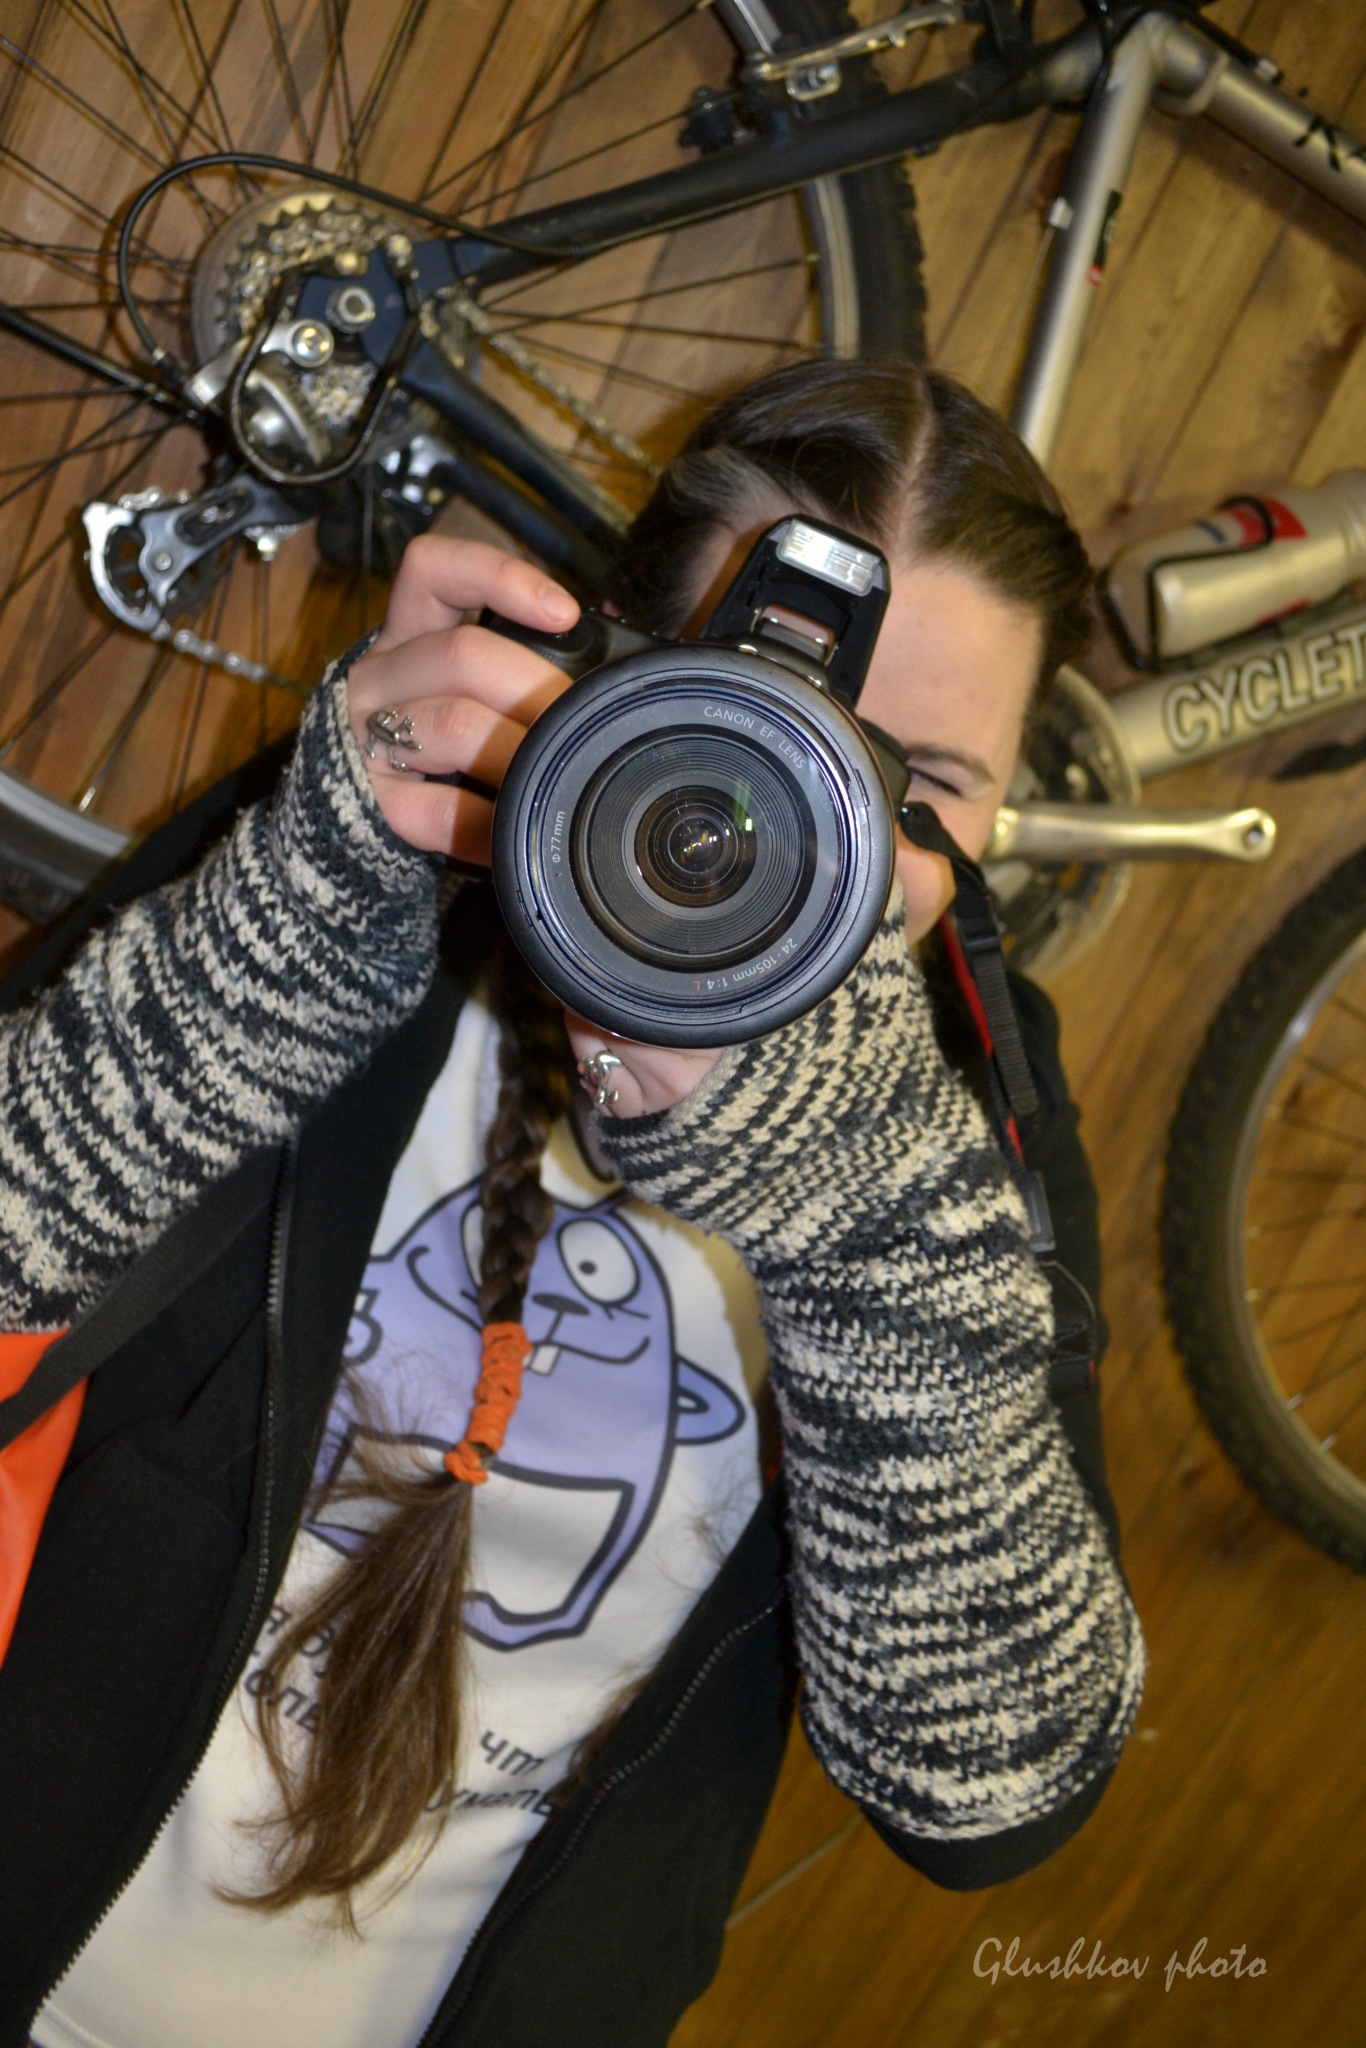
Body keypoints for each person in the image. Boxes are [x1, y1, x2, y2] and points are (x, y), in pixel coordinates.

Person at [0, 358, 1144, 2048]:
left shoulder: (962, 1097)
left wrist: (866, 1213)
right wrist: (286, 931)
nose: (804, 835)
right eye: (750, 721)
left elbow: (988, 1789)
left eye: (911, 793)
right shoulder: (375, 845)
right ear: (606, 656)